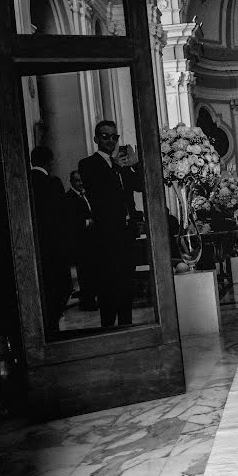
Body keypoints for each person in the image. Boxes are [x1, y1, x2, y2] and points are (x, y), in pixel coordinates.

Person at [78, 120, 143, 327]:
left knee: (127, 284)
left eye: (114, 136)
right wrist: (116, 166)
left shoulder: (122, 166)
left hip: (127, 233)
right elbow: (100, 191)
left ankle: (126, 326)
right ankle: (107, 328)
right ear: (96, 139)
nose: (111, 140)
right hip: (106, 236)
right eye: (105, 136)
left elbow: (141, 186)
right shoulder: (88, 164)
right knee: (108, 285)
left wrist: (135, 165)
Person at [30, 145, 71, 333]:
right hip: (54, 246)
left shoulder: (27, 182)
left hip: (35, 247)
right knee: (60, 287)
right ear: (50, 162)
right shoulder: (52, 183)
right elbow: (62, 216)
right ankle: (52, 325)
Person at [64, 170, 97, 311]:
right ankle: (87, 302)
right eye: (77, 181)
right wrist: (88, 222)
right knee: (84, 273)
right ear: (71, 182)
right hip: (80, 242)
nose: (81, 183)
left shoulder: (86, 195)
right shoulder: (69, 198)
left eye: (82, 180)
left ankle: (91, 299)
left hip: (91, 241)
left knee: (92, 272)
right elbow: (70, 222)